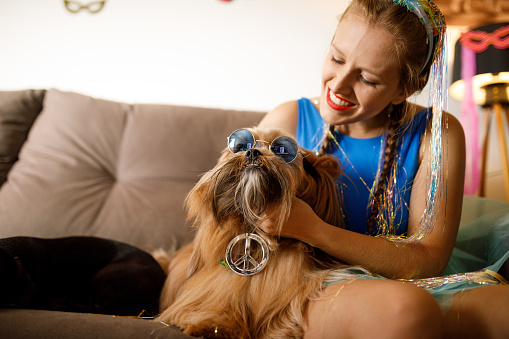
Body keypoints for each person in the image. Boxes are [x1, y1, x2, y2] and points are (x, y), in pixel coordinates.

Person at [258, 0, 509, 338]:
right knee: (405, 313)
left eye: (367, 78)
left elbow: (427, 259)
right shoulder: (288, 121)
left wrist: (314, 229)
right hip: (310, 285)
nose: (339, 85)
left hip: (413, 282)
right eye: (336, 58)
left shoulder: (436, 134)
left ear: (404, 89)